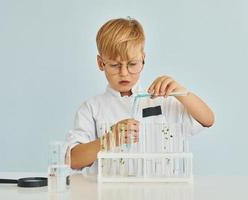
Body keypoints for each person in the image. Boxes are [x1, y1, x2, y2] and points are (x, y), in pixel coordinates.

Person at [66, 17, 215, 173]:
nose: (124, 73)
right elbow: (73, 160)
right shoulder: (92, 108)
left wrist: (181, 93)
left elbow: (208, 120)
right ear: (100, 63)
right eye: (115, 65)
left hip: (160, 192)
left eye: (132, 64)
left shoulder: (161, 100)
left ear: (143, 59)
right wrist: (109, 139)